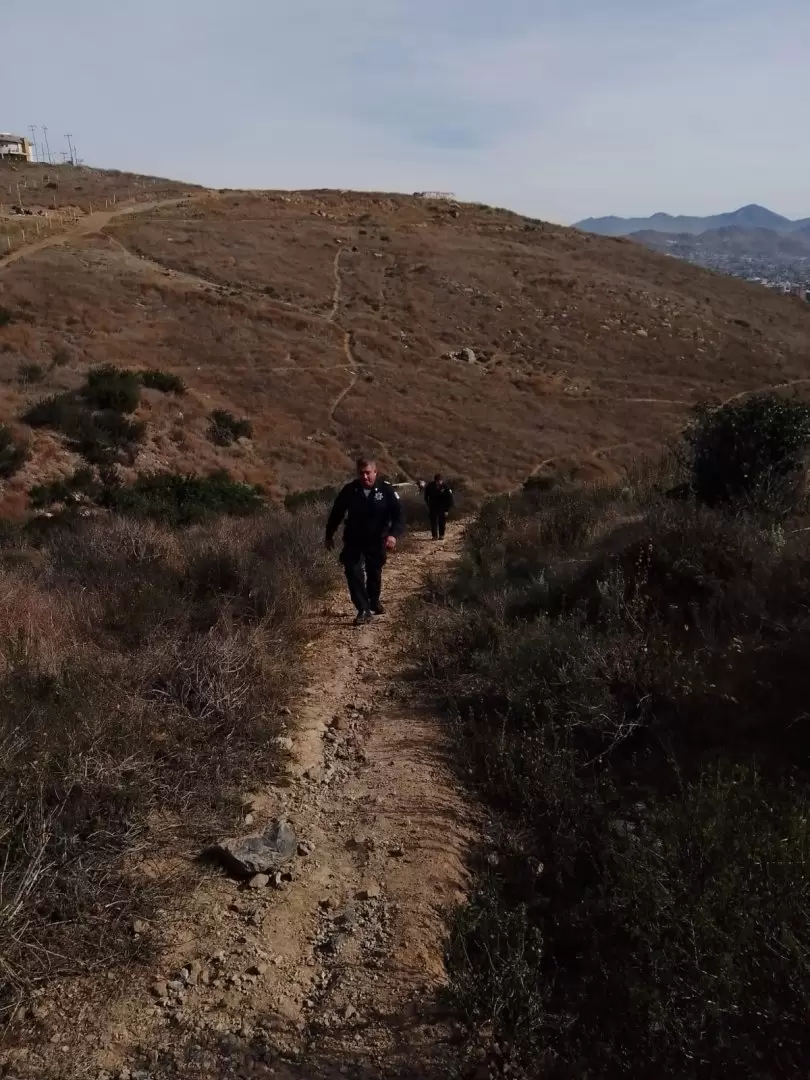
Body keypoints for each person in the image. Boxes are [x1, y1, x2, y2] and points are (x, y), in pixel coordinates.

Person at [325, 456, 404, 625]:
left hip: (377, 539)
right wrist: (329, 535)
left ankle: (373, 601)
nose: (365, 477)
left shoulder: (386, 491)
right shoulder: (350, 490)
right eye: (361, 473)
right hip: (354, 539)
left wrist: (393, 535)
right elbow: (336, 513)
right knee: (352, 570)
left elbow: (398, 516)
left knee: (374, 571)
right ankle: (363, 609)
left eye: (368, 473)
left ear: (375, 472)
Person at [424, 473, 454, 540]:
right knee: (433, 522)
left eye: (440, 481)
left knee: (442, 522)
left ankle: (441, 535)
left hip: (443, 507)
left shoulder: (445, 487)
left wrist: (447, 510)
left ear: (442, 480)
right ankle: (434, 536)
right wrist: (428, 504)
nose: (438, 482)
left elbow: (449, 499)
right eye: (437, 481)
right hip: (433, 506)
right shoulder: (430, 486)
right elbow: (426, 496)